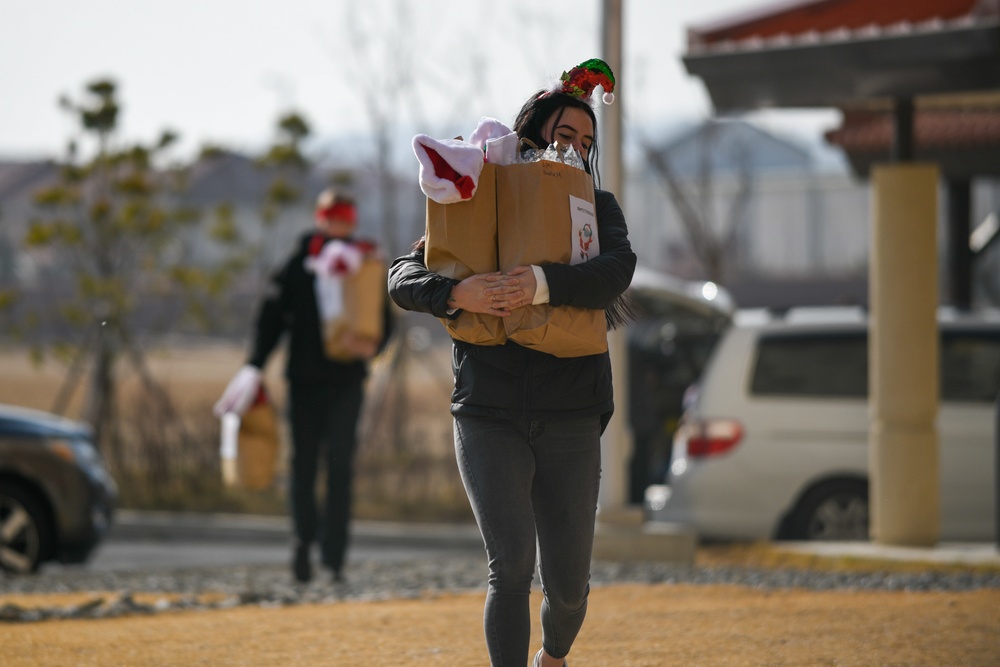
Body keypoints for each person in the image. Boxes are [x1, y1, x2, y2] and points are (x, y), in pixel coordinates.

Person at [388, 59, 635, 667]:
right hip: (488, 409)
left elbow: (617, 272)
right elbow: (402, 275)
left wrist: (540, 284)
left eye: (585, 141)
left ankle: (553, 658)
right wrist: (455, 294)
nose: (573, 148)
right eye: (562, 135)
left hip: (573, 411)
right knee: (511, 570)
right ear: (532, 133)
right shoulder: (481, 197)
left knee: (570, 584)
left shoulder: (597, 208)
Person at [215, 189, 391, 584]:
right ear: (319, 218)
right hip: (304, 382)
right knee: (303, 465)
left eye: (345, 220)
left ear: (353, 222)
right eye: (332, 219)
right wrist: (253, 367)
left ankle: (335, 557)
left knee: (340, 467)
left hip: (347, 383)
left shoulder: (366, 266)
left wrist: (371, 347)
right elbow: (270, 320)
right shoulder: (298, 265)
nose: (338, 227)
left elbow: (384, 324)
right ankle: (301, 544)